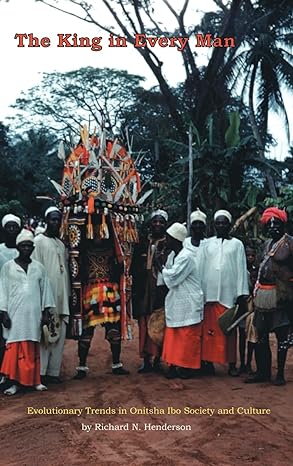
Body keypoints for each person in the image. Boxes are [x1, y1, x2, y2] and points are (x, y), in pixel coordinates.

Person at [0, 229, 55, 395]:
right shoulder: (8, 267)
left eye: (29, 246)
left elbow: (46, 291)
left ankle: (35, 381)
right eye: (23, 246)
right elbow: (2, 291)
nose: (26, 249)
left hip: (33, 315)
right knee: (15, 348)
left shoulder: (39, 268)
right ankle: (14, 383)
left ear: (33, 248)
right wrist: (3, 313)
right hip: (14, 315)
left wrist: (46, 313)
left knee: (32, 346)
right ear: (18, 247)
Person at [74, 224, 129, 379]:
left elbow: (120, 269)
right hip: (90, 292)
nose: (98, 234)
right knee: (86, 331)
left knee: (114, 330)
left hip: (110, 292)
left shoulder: (113, 249)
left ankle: (117, 363)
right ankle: (82, 366)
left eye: (101, 230)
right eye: (95, 231)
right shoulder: (83, 249)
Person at [245, 207, 293, 386]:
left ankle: (280, 374)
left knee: (281, 335)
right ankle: (263, 372)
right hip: (263, 294)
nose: (273, 227)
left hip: (281, 296)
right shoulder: (265, 245)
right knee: (261, 335)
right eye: (270, 224)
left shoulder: (290, 243)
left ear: (283, 225)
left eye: (277, 224)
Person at [201, 210, 249, 376]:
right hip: (210, 295)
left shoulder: (237, 244)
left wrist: (242, 294)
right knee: (210, 331)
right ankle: (208, 362)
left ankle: (231, 364)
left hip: (229, 295)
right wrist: (201, 292)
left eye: (224, 223)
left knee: (228, 331)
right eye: (218, 223)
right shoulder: (206, 243)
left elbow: (242, 270)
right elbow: (201, 268)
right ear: (214, 225)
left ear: (229, 225)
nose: (221, 225)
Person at [32, 206, 70, 384]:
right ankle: (42, 373)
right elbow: (36, 271)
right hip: (46, 297)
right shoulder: (38, 241)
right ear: (46, 220)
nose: (55, 223)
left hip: (62, 298)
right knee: (45, 336)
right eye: (52, 219)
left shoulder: (61, 244)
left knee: (59, 335)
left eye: (58, 220)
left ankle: (54, 373)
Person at [160, 223, 204, 379]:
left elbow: (172, 278)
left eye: (168, 238)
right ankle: (173, 365)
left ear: (176, 240)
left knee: (187, 336)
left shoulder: (187, 256)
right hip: (177, 302)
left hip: (189, 302)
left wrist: (160, 266)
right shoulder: (173, 255)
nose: (165, 240)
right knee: (174, 335)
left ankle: (187, 367)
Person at [131, 209, 169, 373]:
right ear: (150, 223)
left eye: (161, 222)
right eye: (155, 221)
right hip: (142, 288)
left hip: (159, 289)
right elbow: (133, 266)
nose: (158, 224)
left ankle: (158, 359)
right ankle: (146, 359)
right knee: (144, 323)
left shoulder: (168, 243)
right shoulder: (141, 242)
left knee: (159, 323)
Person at [0, 214, 21, 382]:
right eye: (9, 227)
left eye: (15, 227)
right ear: (4, 229)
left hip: (21, 300)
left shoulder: (24, 250)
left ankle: (18, 374)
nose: (12, 230)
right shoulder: (0, 250)